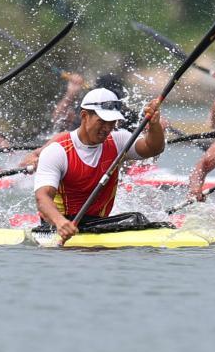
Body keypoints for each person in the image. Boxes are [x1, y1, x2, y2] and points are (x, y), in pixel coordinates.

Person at [34, 88, 165, 242]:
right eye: (102, 121)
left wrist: (154, 125)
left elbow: (153, 148)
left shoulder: (119, 141)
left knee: (138, 219)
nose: (107, 128)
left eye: (112, 122)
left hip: (97, 224)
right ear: (84, 116)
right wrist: (60, 222)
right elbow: (42, 198)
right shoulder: (57, 151)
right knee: (135, 220)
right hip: (61, 226)